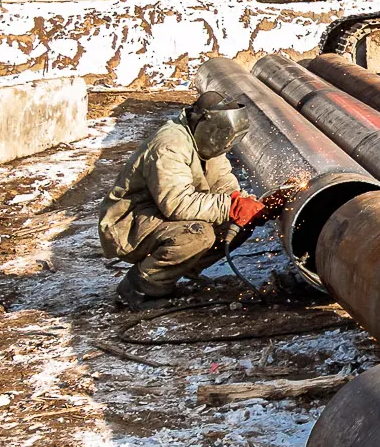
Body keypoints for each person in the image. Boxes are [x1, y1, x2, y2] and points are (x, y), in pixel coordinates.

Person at [100, 92, 266, 307]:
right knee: (198, 235)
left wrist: (248, 204)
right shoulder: (169, 145)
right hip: (128, 224)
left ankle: (176, 273)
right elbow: (177, 203)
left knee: (240, 223)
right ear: (205, 123)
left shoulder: (205, 140)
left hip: (157, 216)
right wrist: (232, 206)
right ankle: (141, 287)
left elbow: (222, 183)